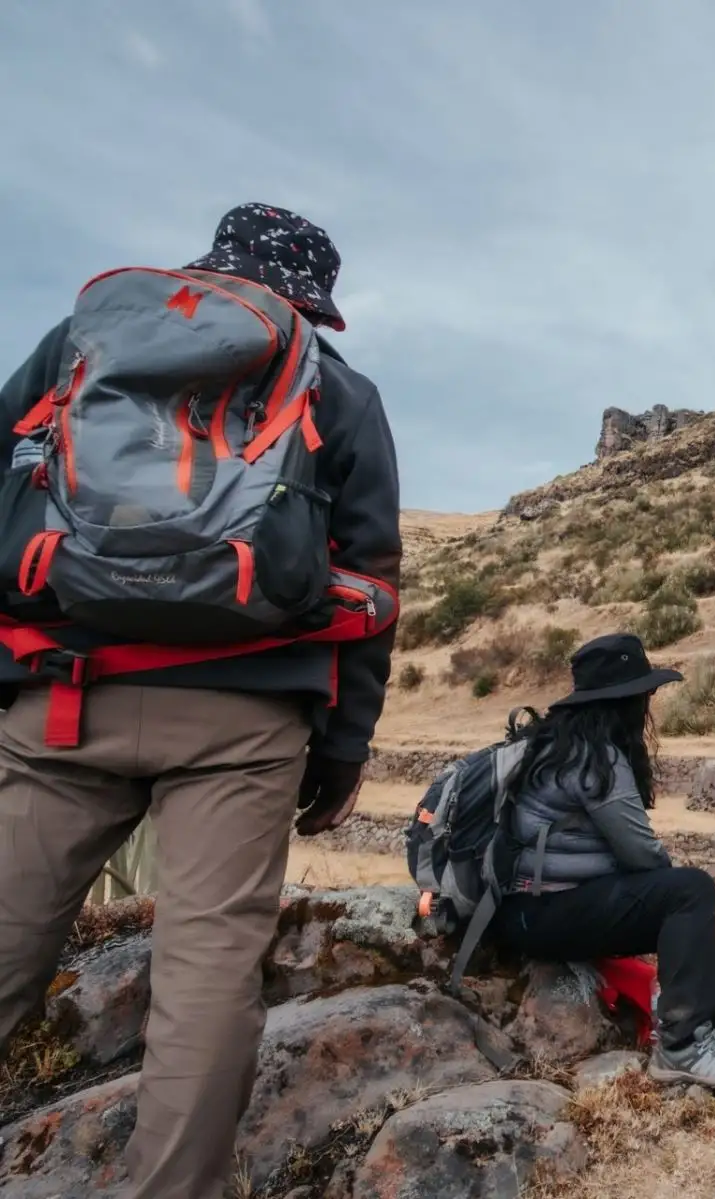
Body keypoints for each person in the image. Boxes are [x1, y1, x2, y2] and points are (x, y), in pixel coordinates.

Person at [0, 204, 401, 1199]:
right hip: (242, 715)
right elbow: (372, 585)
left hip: (60, 698)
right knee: (208, 979)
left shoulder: (83, 344)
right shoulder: (334, 386)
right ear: (314, 300)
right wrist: (342, 751)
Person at [502, 632, 715, 1089]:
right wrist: (670, 884)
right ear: (625, 702)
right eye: (645, 695)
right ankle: (682, 1046)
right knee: (689, 893)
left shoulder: (553, 743)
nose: (648, 706)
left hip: (522, 912)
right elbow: (640, 853)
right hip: (543, 916)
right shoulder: (596, 757)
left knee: (685, 900)